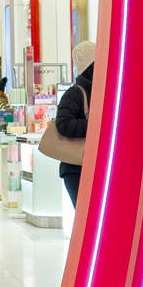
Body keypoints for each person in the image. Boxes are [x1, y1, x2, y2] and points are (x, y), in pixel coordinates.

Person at [54, 40, 97, 206]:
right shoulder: (75, 93)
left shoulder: (103, 91)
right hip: (76, 168)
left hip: (94, 165)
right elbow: (63, 124)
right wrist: (95, 126)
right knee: (85, 215)